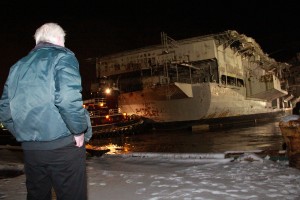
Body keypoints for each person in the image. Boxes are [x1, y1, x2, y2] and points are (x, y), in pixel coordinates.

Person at [0, 22, 92, 200]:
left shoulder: (16, 67)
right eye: (64, 40)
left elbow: (4, 110)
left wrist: (23, 134)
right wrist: (78, 130)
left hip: (32, 152)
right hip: (64, 147)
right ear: (59, 39)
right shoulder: (63, 57)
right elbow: (66, 98)